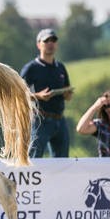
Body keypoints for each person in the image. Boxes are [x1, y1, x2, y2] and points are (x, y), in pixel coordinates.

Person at [20, 28, 73, 158]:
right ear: (38, 44)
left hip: (60, 120)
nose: (50, 43)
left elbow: (68, 92)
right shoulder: (31, 68)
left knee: (62, 164)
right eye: (46, 41)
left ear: (57, 44)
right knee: (34, 161)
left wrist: (67, 94)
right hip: (40, 121)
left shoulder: (60, 67)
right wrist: (38, 96)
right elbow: (18, 94)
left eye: (53, 40)